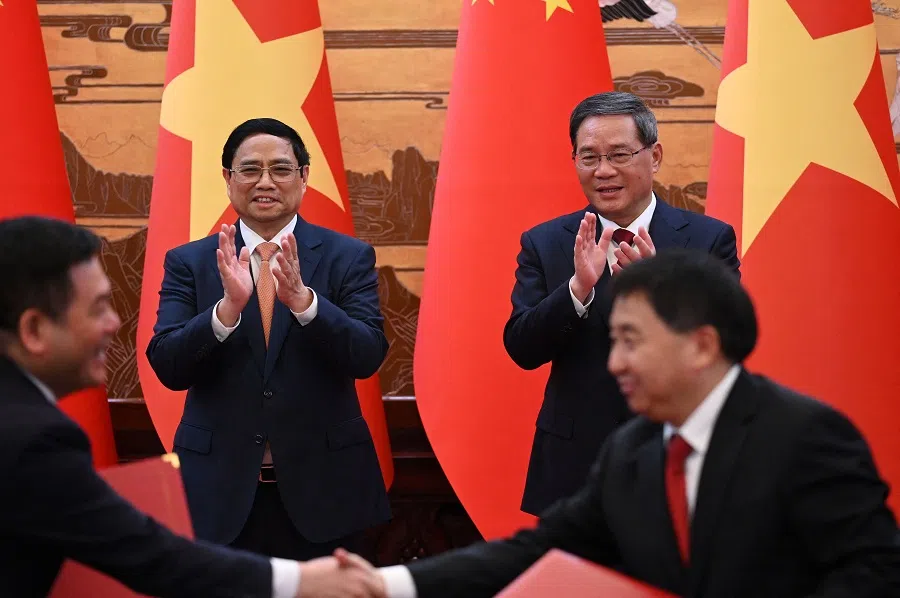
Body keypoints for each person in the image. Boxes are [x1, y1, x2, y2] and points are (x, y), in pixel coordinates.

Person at [353, 249, 900, 597]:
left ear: (702, 345)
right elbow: (539, 550)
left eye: (630, 341)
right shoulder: (631, 451)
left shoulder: (806, 436)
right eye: (612, 341)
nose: (615, 364)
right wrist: (384, 583)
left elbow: (872, 572)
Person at [0, 216, 387, 597]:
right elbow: (145, 556)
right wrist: (299, 582)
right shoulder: (35, 442)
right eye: (98, 307)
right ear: (33, 330)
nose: (114, 323)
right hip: (219, 504)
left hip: (324, 501)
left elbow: (366, 351)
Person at [145, 118, 391, 560]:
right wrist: (226, 312)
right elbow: (167, 364)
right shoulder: (189, 261)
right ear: (227, 178)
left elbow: (367, 354)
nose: (265, 182)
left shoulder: (348, 256)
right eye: (250, 169)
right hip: (217, 491)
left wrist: (305, 302)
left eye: (280, 169)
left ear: (303, 176)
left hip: (324, 489)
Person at [506, 91, 742, 515]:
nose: (604, 171)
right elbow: (522, 348)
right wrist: (576, 289)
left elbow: (727, 343)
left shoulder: (708, 240)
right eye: (589, 157)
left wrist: (664, 294)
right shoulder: (546, 242)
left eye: (619, 155)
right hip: (575, 466)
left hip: (678, 455)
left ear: (654, 157)